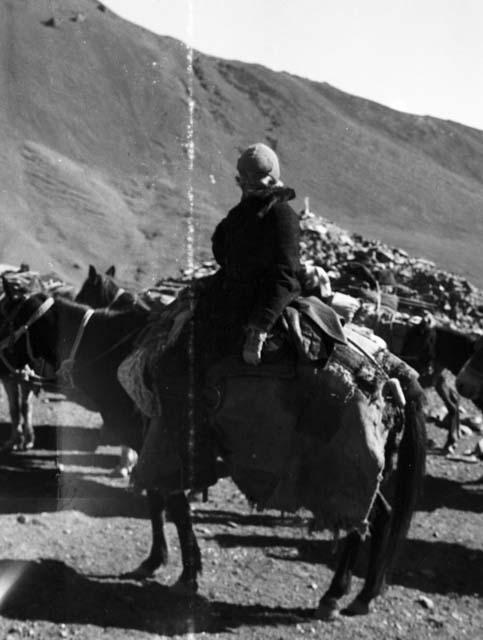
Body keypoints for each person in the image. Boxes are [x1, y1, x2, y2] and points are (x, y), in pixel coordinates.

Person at [133, 143, 303, 491]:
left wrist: (259, 328)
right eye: (246, 181)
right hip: (226, 308)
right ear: (239, 181)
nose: (251, 186)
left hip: (255, 314)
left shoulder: (283, 216)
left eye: (257, 181)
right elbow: (224, 253)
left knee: (175, 369)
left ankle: (198, 466)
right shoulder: (242, 213)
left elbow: (285, 277)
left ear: (272, 178)